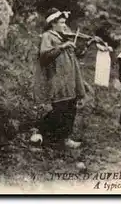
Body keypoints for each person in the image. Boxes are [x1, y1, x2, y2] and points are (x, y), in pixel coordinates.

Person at [33, 8, 92, 149]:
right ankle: (40, 131)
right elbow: (45, 56)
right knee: (59, 110)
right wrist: (63, 46)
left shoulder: (62, 37)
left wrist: (84, 47)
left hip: (69, 79)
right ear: (53, 23)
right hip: (57, 78)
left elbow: (74, 56)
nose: (65, 26)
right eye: (62, 22)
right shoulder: (48, 36)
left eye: (65, 23)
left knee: (70, 108)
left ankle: (64, 138)